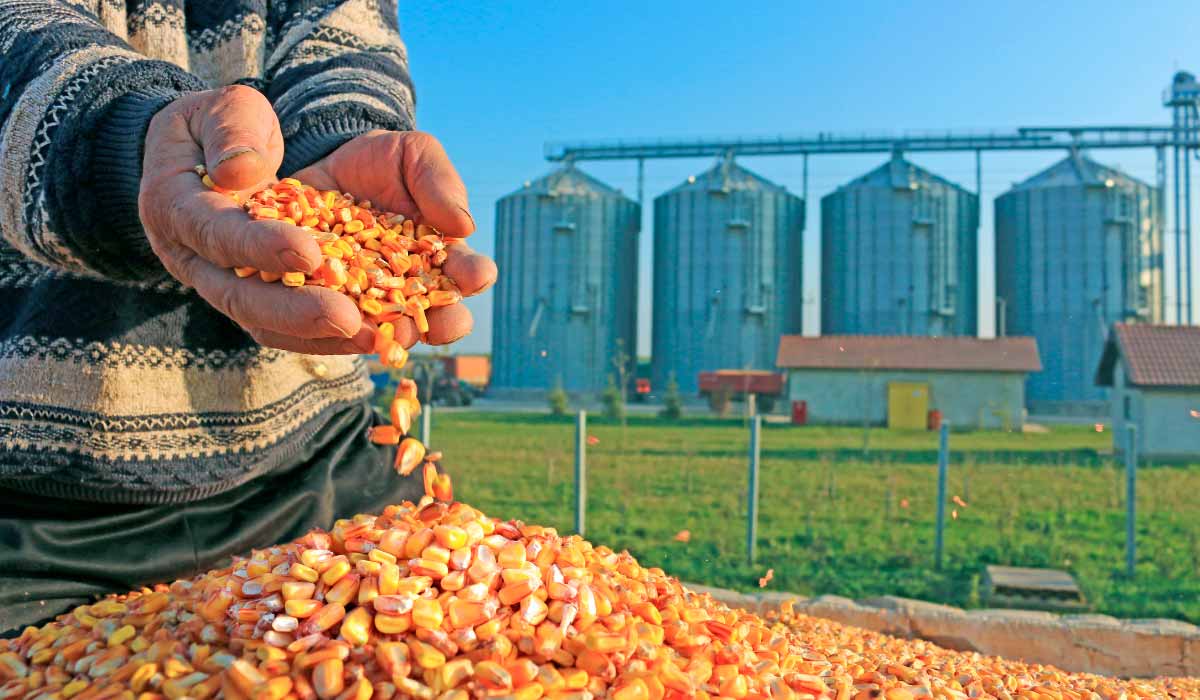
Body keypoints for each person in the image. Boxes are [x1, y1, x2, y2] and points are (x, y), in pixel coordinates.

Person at [0, 0, 496, 633]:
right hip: (32, 509)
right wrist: (127, 136)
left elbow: (342, 44)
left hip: (311, 462)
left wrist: (344, 139)